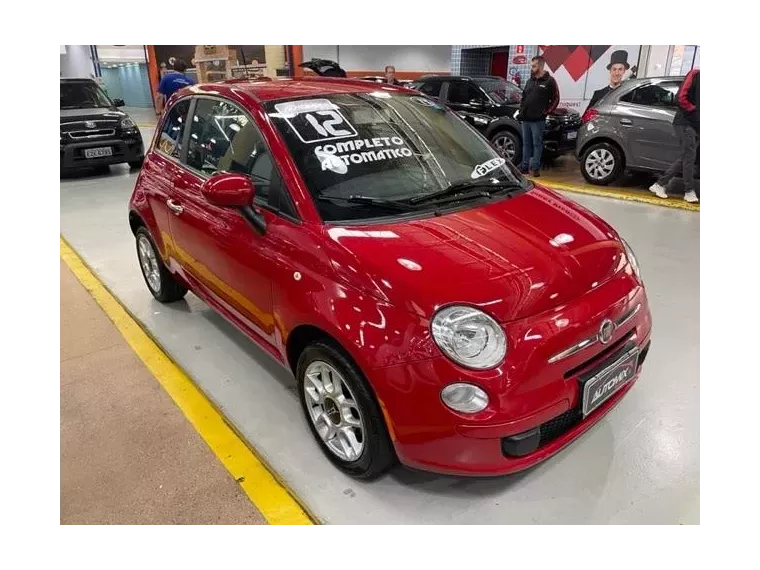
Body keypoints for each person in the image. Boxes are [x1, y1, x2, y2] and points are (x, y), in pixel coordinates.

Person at [648, 67, 703, 204]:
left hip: (694, 126)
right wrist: (694, 110)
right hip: (685, 122)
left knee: (686, 157)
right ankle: (689, 191)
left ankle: (660, 184)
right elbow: (681, 98)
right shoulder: (696, 73)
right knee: (689, 157)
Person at [516, 55, 560, 176]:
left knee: (537, 144)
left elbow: (556, 98)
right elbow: (524, 97)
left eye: (534, 66)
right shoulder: (530, 80)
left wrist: (545, 112)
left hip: (538, 120)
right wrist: (521, 110)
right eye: (531, 66)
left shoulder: (550, 81)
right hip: (525, 119)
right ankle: (524, 166)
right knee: (526, 144)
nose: (532, 68)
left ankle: (535, 167)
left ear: (541, 66)